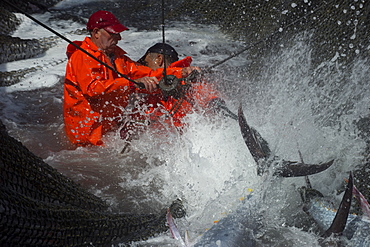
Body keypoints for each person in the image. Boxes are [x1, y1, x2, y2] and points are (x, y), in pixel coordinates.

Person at [63, 11, 198, 146]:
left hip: (109, 132)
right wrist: (131, 84)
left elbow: (147, 73)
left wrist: (181, 72)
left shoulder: (116, 56)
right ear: (96, 32)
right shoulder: (82, 56)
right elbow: (94, 88)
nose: (119, 38)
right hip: (87, 139)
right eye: (113, 33)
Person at [119, 43, 223, 143]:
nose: (145, 69)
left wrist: (216, 103)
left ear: (159, 59)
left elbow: (211, 99)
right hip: (176, 143)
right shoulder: (148, 89)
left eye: (146, 64)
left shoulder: (190, 79)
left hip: (182, 143)